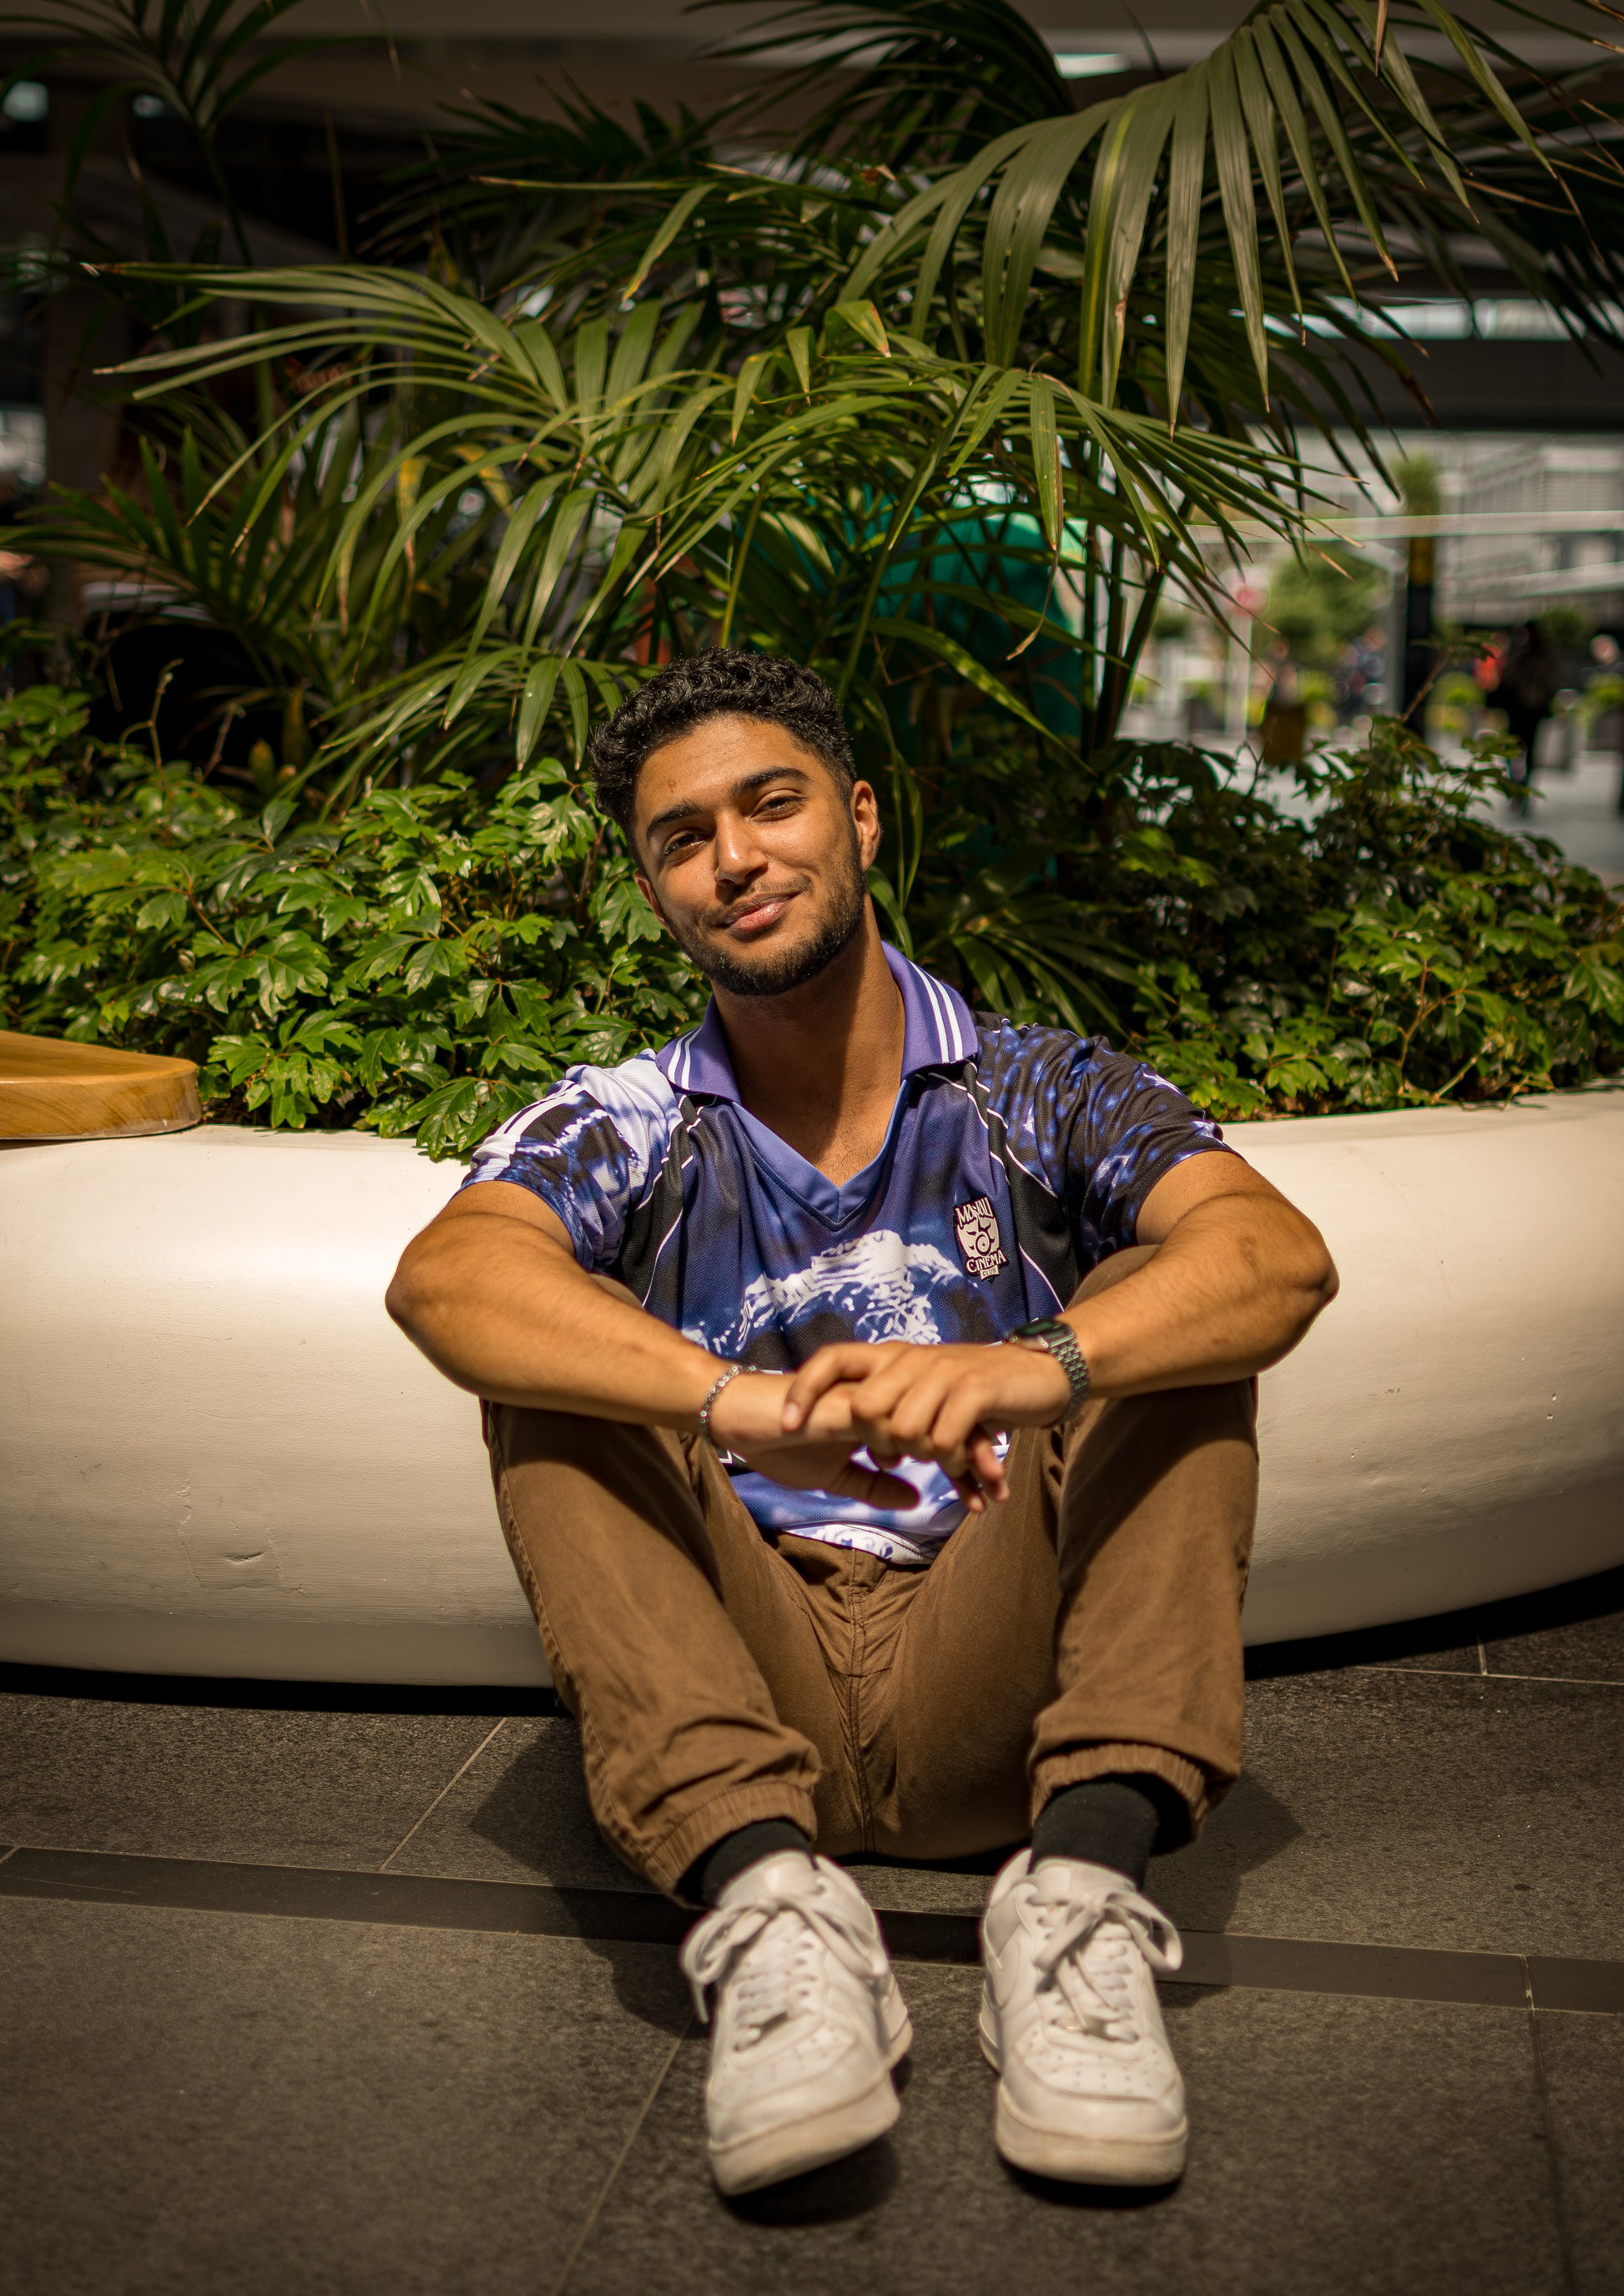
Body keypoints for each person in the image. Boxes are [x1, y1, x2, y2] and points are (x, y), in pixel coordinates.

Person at [386, 649, 1338, 2198]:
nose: (734, 856)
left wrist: (1031, 1363)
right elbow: (446, 1280)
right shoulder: (627, 1115)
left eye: (771, 803)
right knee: (551, 1360)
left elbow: (1274, 1258)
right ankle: (769, 1908)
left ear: (862, 816)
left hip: (997, 1675)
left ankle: (1078, 1899)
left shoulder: (1041, 1085)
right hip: (738, 1681)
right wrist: (740, 1404)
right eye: (681, 837)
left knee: (1168, 1323)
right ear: (654, 887)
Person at [1489, 618, 1561, 797]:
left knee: (1527, 747)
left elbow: (1549, 684)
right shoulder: (1518, 654)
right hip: (1518, 707)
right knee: (1511, 747)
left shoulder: (1542, 657)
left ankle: (1523, 784)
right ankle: (1518, 783)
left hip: (1531, 708)